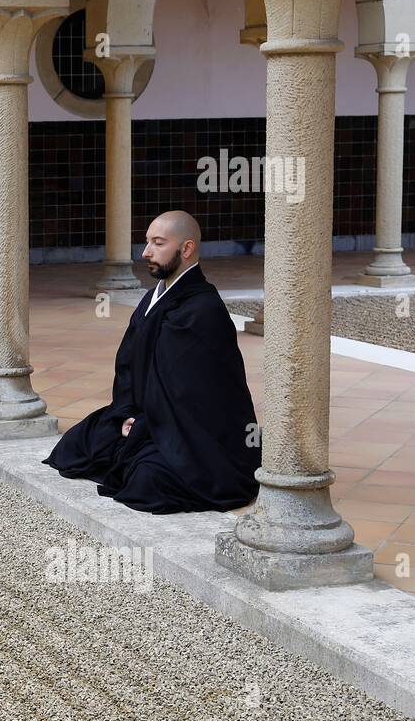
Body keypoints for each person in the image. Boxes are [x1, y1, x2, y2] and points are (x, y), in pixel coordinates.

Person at [43, 211, 260, 513]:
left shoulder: (203, 309)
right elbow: (128, 366)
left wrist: (145, 424)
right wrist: (125, 415)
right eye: (147, 242)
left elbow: (194, 392)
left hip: (194, 430)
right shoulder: (152, 297)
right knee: (76, 444)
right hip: (146, 414)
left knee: (148, 483)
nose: (145, 252)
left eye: (158, 243)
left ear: (186, 249)